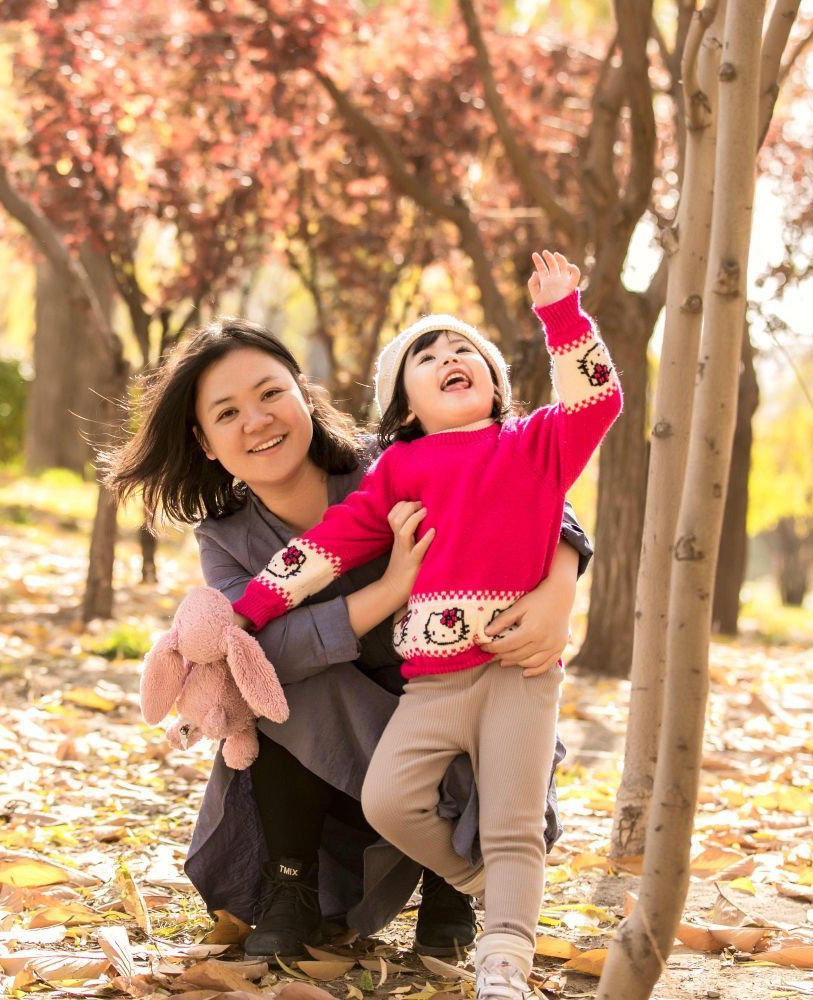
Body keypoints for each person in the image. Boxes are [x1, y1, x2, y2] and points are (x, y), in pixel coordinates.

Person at [104, 307, 594, 963]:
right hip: (321, 765)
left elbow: (526, 485)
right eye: (228, 413)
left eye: (272, 393)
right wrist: (385, 593)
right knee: (278, 684)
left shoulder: (391, 464)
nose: (257, 420)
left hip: (449, 711)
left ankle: (454, 887)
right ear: (204, 440)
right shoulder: (226, 536)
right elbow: (248, 653)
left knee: (457, 694)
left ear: (304, 394)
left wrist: (557, 593)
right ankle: (291, 885)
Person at [228, 251, 622, 1000]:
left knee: (513, 823)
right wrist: (244, 612)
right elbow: (328, 547)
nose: (451, 356)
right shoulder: (399, 472)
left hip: (520, 675)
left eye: (465, 349)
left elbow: (596, 400)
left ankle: (505, 956)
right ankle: (500, 886)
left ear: (496, 384)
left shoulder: (535, 445)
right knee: (390, 800)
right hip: (431, 685)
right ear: (403, 407)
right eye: (428, 355)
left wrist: (561, 314)